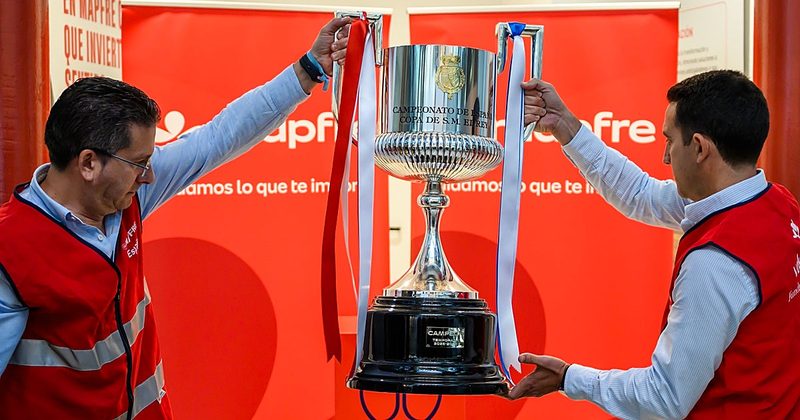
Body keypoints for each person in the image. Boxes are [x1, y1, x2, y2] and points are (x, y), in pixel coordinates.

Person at [0, 17, 351, 419]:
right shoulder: (10, 251)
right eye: (139, 163)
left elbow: (218, 138)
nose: (150, 175)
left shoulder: (126, 193)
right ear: (88, 164)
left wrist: (307, 70)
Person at [509, 70, 800, 418]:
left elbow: (665, 398)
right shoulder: (777, 203)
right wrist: (565, 126)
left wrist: (569, 378)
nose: (665, 157)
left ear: (699, 148)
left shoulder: (715, 263)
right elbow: (640, 194)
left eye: (669, 141)